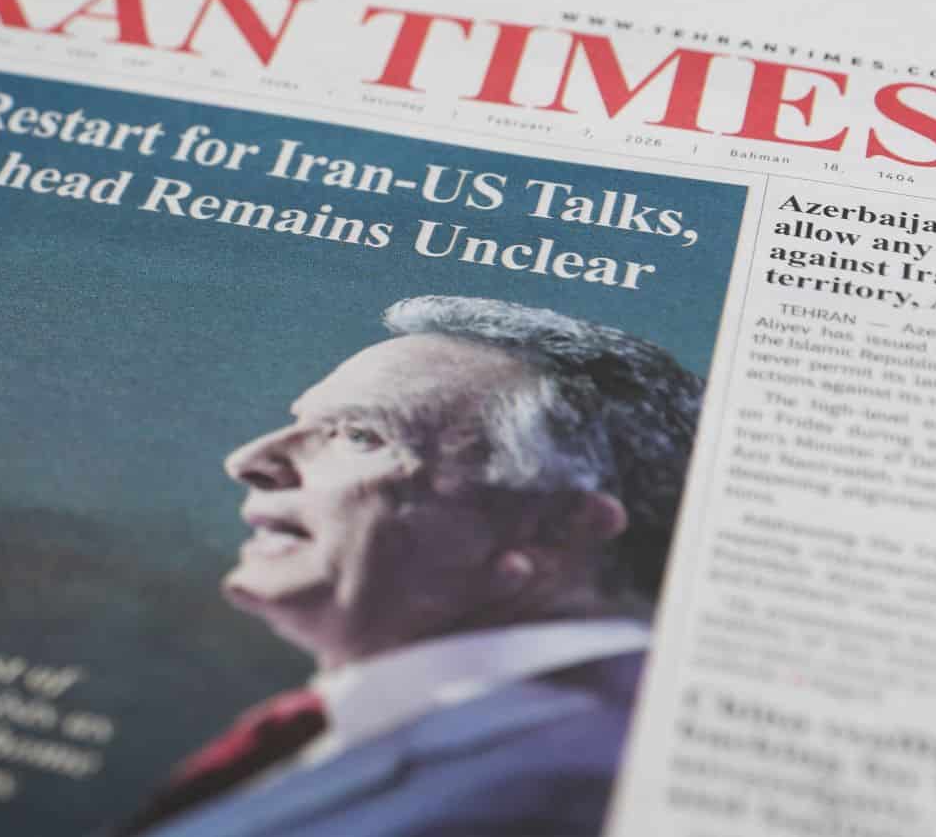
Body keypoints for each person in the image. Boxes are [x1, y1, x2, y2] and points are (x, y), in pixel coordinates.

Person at [120, 296, 702, 837]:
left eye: (359, 435)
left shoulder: (585, 773)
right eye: (298, 422)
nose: (249, 460)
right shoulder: (369, 729)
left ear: (552, 527)